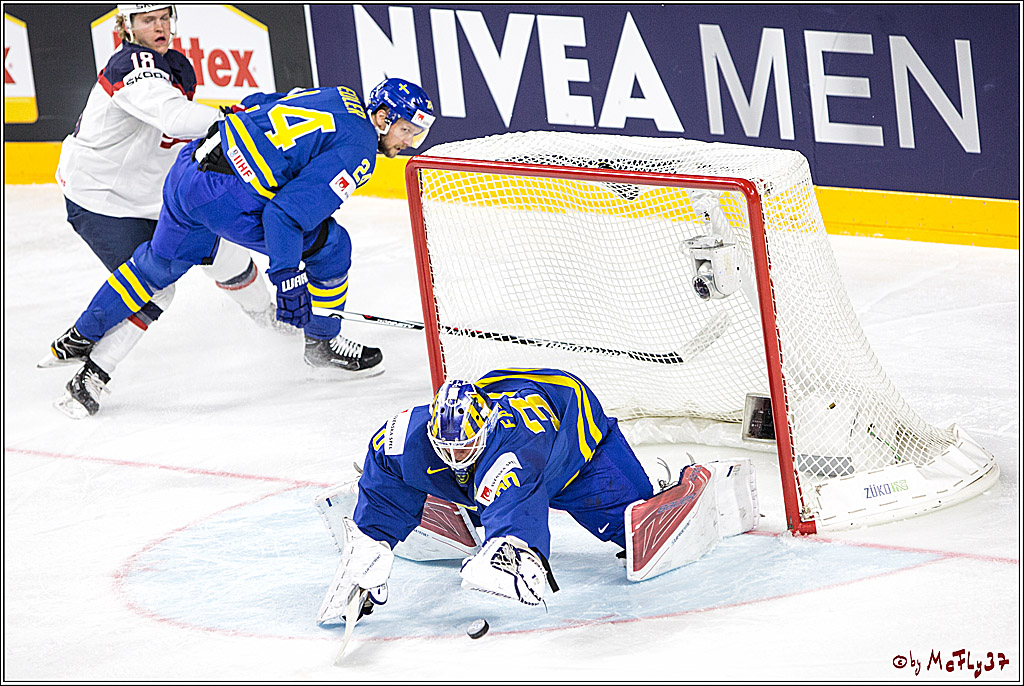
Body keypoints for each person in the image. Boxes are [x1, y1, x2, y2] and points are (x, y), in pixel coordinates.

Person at [42, 72, 436, 418]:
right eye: (406, 131)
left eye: (417, 135)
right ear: (383, 118)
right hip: (227, 201)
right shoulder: (360, 150)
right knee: (332, 246)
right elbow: (284, 214)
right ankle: (322, 343)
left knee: (154, 269)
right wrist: (287, 275)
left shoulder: (341, 95)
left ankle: (80, 337)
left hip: (187, 171)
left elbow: (254, 104)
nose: (411, 143)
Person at [313, 368, 759, 626]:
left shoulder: (515, 441)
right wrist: (371, 540)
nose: (457, 458)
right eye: (447, 450)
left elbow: (516, 498)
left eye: (466, 448)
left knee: (640, 537)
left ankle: (686, 481)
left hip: (579, 453)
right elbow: (385, 475)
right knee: (452, 481)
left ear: (486, 428)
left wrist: (511, 547)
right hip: (504, 461)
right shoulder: (405, 437)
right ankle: (453, 509)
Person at [42, 4, 283, 417]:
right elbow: (173, 117)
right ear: (127, 27)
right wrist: (235, 123)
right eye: (147, 20)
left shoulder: (175, 65)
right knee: (158, 285)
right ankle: (91, 376)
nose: (159, 27)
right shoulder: (131, 63)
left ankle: (272, 325)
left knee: (225, 254)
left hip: (152, 191)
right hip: (101, 198)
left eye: (164, 17)